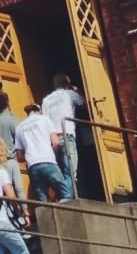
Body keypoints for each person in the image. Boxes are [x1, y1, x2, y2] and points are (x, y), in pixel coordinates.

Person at [40, 71, 86, 201]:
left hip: (53, 138)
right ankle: (67, 199)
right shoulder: (70, 94)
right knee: (70, 170)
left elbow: (45, 120)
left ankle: (58, 197)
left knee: (58, 171)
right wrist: (76, 90)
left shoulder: (46, 100)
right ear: (67, 84)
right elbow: (85, 105)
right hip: (67, 135)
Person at [15, 98, 69, 203]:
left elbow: (19, 155)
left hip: (32, 165)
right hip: (48, 160)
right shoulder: (45, 119)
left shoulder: (20, 127)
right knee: (65, 194)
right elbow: (56, 143)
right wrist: (55, 155)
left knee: (42, 201)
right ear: (38, 111)